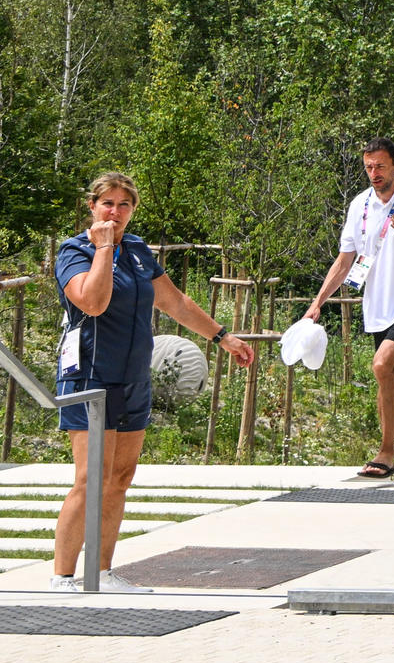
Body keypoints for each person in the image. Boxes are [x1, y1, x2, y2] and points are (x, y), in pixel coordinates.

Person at [50, 172, 253, 590]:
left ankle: (102, 572)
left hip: (132, 376)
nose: (116, 212)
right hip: (90, 375)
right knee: (91, 479)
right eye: (108, 203)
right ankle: (63, 577)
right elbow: (92, 301)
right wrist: (104, 247)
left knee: (120, 477)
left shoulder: (139, 250)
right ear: (92, 206)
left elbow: (175, 301)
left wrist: (222, 336)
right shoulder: (74, 251)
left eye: (125, 205)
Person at [304, 139, 394, 481]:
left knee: (382, 365)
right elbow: (345, 260)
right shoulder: (360, 205)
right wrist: (317, 303)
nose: (374, 174)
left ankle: (386, 454)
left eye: (381, 166)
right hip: (378, 307)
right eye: (369, 167)